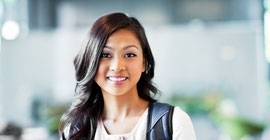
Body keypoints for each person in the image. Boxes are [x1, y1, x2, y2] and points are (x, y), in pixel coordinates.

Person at [59, 12, 196, 140]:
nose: (117, 66)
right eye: (105, 55)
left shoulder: (173, 122)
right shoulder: (75, 130)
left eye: (129, 55)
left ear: (144, 63)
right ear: (90, 61)